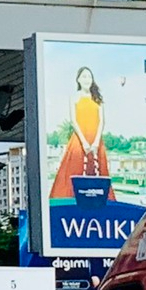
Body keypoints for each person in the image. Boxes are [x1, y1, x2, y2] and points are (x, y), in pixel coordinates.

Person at [48, 65, 110, 202]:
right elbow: (74, 121)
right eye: (84, 76)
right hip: (79, 139)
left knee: (99, 171)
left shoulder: (97, 99)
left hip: (96, 140)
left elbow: (101, 121)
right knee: (74, 169)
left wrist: (95, 142)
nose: (87, 79)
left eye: (89, 76)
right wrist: (84, 142)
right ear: (78, 79)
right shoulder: (74, 97)